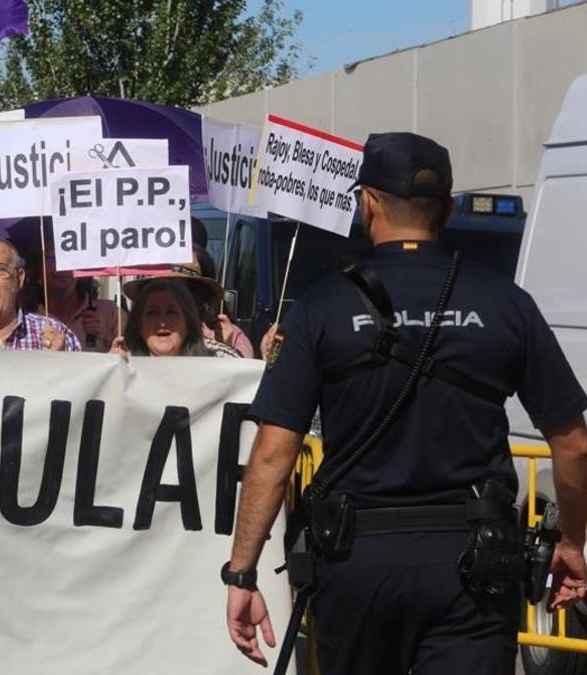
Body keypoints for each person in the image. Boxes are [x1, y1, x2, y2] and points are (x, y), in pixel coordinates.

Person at [224, 132, 587, 674]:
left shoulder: (322, 305)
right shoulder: (506, 303)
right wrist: (572, 539)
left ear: (367, 202)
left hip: (357, 564)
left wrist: (242, 573)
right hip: (475, 566)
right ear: (445, 209)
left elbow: (274, 454)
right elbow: (574, 445)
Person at [110, 274, 241, 358]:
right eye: (152, 313)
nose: (162, 322)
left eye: (171, 312)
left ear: (189, 323)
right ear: (138, 324)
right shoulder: (122, 361)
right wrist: (109, 369)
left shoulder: (220, 357)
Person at [41, 252, 123, 354]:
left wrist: (106, 336)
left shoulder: (111, 312)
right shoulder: (26, 318)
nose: (61, 267)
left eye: (68, 258)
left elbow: (133, 357)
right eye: (51, 259)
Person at [191, 246, 254, 357]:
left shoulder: (230, 335)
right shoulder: (154, 338)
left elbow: (245, 373)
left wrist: (226, 348)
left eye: (189, 289)